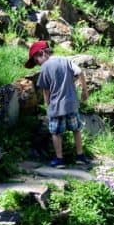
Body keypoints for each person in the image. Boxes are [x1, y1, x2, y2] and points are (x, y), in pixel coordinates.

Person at [25, 40, 89, 168]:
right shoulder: (64, 60)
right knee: (76, 130)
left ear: (42, 53)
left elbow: (46, 90)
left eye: (36, 60)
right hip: (72, 104)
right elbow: (79, 71)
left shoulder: (45, 68)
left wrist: (47, 105)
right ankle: (80, 156)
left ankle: (59, 159)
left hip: (56, 106)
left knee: (56, 133)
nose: (37, 64)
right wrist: (84, 91)